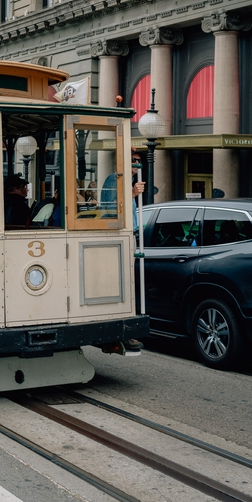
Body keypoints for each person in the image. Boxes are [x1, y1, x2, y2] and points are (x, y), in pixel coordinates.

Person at [100, 150, 146, 352]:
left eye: (139, 162)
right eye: (134, 161)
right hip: (120, 236)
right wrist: (133, 194)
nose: (137, 165)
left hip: (130, 235)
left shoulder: (125, 181)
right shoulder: (114, 179)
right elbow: (112, 208)